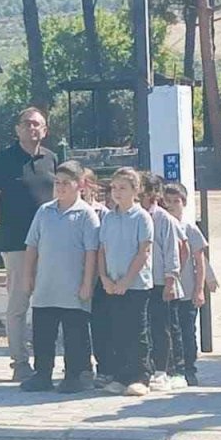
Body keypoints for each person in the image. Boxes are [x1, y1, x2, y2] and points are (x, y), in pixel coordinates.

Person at [0, 107, 57, 382]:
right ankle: (19, 362)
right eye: (26, 124)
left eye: (37, 124)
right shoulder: (2, 161)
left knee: (46, 303)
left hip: (49, 244)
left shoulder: (52, 159)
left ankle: (44, 362)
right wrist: (8, 224)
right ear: (17, 129)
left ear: (45, 130)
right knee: (18, 303)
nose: (31, 128)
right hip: (16, 243)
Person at [20, 160, 100, 394]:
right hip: (47, 285)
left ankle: (74, 375)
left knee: (75, 335)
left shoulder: (86, 215)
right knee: (43, 333)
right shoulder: (45, 211)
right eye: (57, 183)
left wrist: (87, 283)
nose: (61, 187)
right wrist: (28, 276)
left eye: (66, 183)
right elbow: (32, 246)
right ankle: (42, 374)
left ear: (80, 185)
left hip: (74, 288)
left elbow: (91, 253)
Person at [97, 167, 154, 397]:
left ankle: (141, 376)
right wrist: (104, 278)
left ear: (135, 190)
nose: (117, 192)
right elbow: (101, 249)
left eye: (123, 188)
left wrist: (126, 281)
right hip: (111, 283)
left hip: (136, 285)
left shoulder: (142, 217)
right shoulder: (109, 217)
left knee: (136, 331)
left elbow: (143, 252)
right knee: (116, 330)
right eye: (114, 188)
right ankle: (120, 375)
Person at [161, 183, 206, 388]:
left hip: (187, 290)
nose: (171, 205)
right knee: (170, 329)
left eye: (176, 201)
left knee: (188, 332)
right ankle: (172, 366)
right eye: (167, 201)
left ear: (184, 203)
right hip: (170, 291)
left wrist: (199, 289)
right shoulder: (162, 225)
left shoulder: (189, 228)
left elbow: (200, 261)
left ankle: (190, 368)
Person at [140, 174, 183, 392]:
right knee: (143, 327)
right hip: (140, 281)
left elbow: (172, 251)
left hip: (158, 281)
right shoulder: (135, 215)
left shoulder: (163, 218)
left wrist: (170, 279)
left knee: (161, 327)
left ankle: (163, 370)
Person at [80, 169, 114, 386]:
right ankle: (81, 367)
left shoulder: (103, 213)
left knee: (101, 324)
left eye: (84, 184)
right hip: (77, 273)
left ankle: (105, 368)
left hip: (100, 275)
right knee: (77, 323)